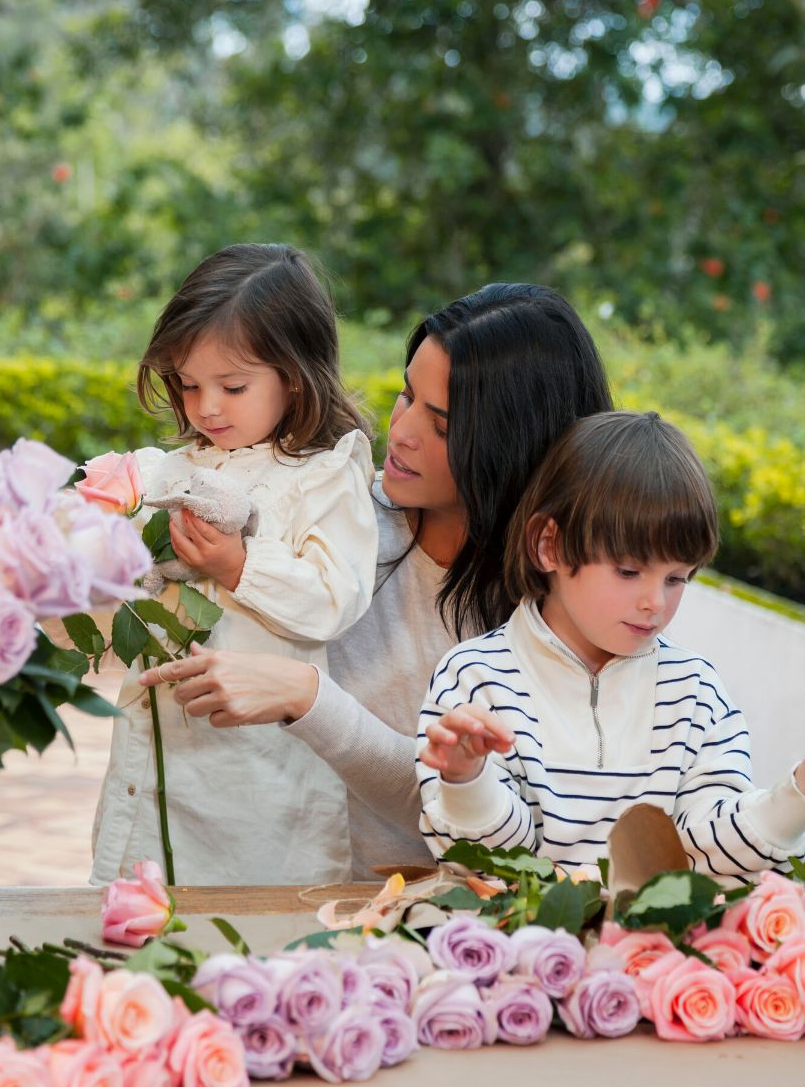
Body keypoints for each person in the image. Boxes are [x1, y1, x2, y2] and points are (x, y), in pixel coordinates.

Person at [141, 282, 614, 880]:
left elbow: (492, 826)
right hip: (263, 886)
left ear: (513, 446)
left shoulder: (560, 611)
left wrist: (310, 699)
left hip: (420, 919)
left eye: (441, 425)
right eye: (406, 394)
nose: (403, 431)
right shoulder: (325, 523)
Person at [91, 243, 379, 887]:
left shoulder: (322, 476)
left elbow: (335, 599)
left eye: (233, 386)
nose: (206, 407)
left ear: (297, 375)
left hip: (259, 771)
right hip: (159, 748)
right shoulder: (175, 468)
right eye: (188, 384)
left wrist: (239, 564)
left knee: (248, 919)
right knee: (142, 906)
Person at [417, 410, 805, 884]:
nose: (654, 603)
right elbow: (485, 868)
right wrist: (466, 781)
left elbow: (711, 859)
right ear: (549, 545)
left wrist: (796, 797)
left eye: (677, 578)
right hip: (519, 954)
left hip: (658, 955)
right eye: (628, 571)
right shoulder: (476, 679)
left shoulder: (697, 694)